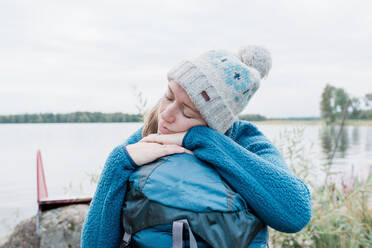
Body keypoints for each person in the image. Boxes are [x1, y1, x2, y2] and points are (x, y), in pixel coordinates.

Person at [81, 46, 312, 248]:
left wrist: (202, 139)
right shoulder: (148, 136)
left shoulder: (245, 141)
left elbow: (296, 213)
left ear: (216, 125)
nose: (166, 115)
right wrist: (119, 162)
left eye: (188, 112)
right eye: (169, 96)